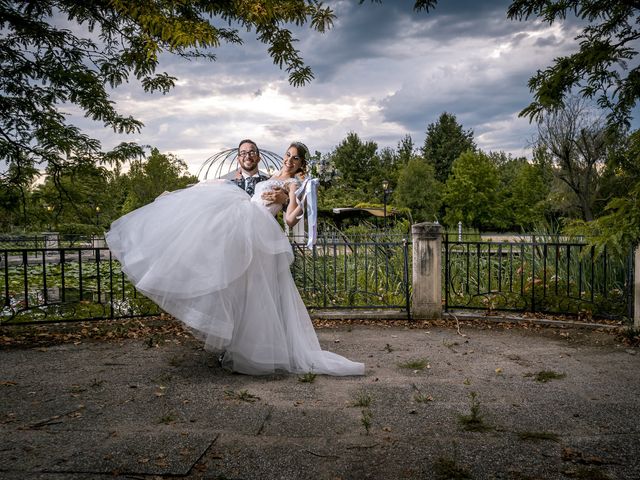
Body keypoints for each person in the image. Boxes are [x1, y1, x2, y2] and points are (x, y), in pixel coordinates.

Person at [105, 142, 364, 376]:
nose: (289, 159)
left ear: (300, 164)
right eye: (287, 155)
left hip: (258, 230)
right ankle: (238, 346)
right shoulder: (271, 176)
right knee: (227, 265)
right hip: (246, 220)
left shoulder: (294, 183)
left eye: (294, 158)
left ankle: (256, 352)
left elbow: (289, 217)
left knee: (258, 296)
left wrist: (289, 197)